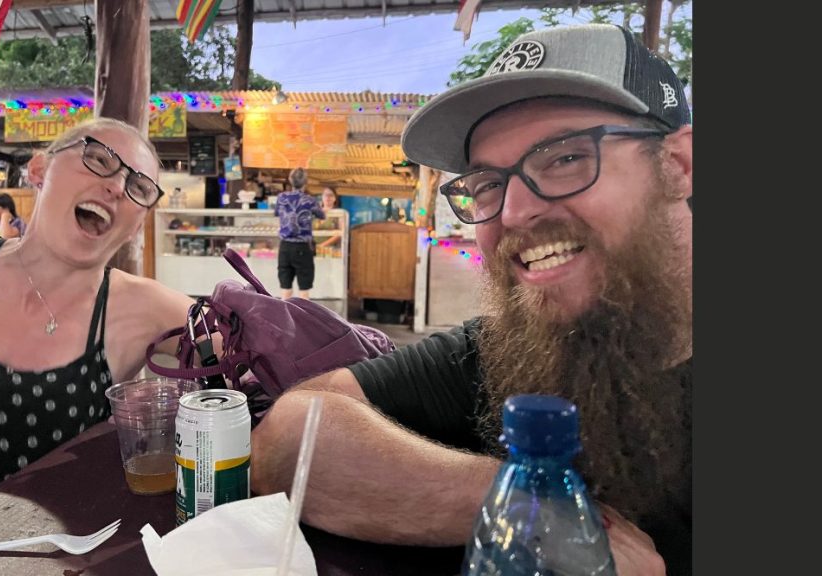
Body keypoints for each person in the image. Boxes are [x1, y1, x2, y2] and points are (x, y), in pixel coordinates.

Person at [252, 24, 691, 576]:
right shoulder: (511, 348)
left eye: (564, 158)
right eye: (487, 183)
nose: (512, 213)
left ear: (678, 167)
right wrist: (534, 506)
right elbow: (288, 437)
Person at [0, 117, 199, 531]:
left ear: (138, 223)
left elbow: (263, 355)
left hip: (43, 559)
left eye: (139, 188)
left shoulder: (145, 308)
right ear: (39, 170)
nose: (117, 186)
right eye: (99, 158)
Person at [274, 167, 325, 300]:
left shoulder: (281, 198)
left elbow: (276, 213)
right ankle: (302, 319)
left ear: (290, 180)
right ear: (305, 182)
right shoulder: (309, 200)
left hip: (285, 247)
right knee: (304, 291)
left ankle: (285, 318)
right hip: (302, 247)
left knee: (285, 290)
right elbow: (322, 215)